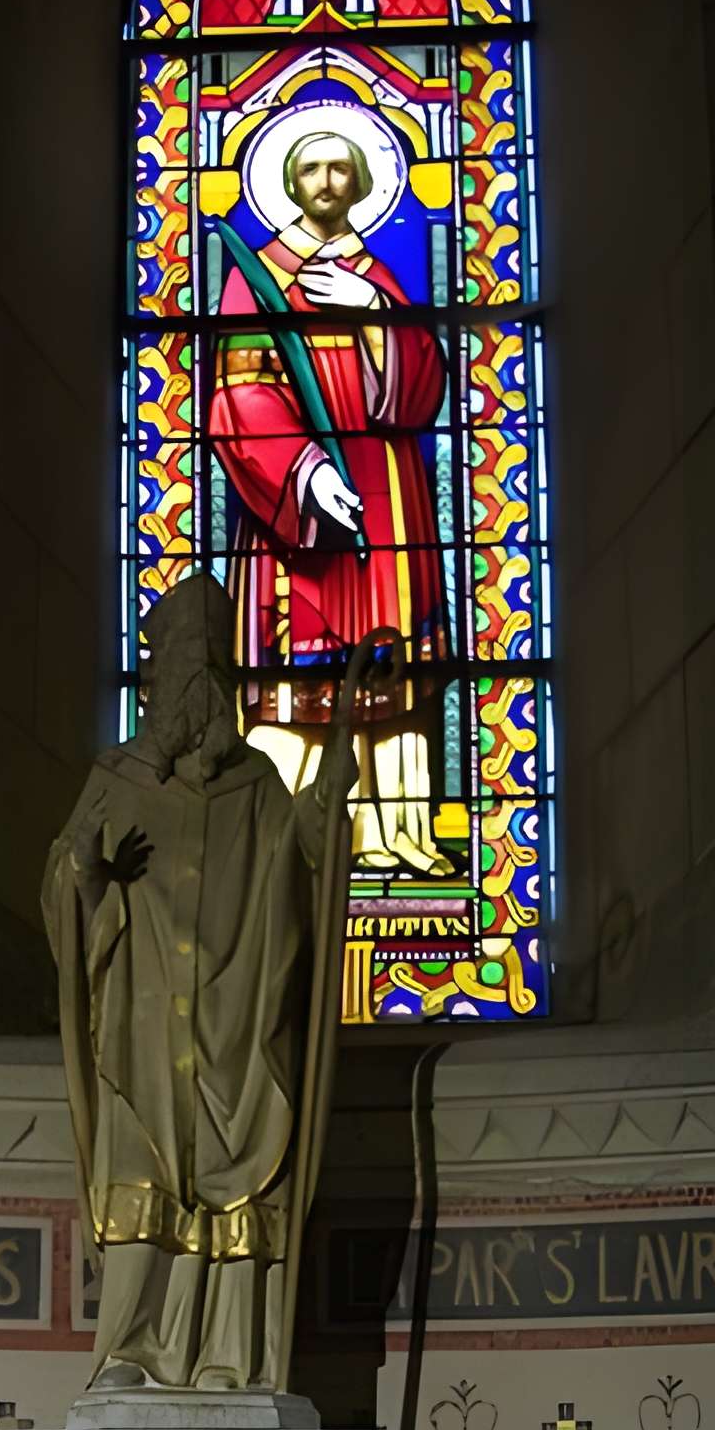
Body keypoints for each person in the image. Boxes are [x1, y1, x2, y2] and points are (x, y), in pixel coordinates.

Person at [42, 577, 355, 1392]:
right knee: (142, 1175)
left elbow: (303, 861)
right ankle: (132, 1351)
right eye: (180, 679)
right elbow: (65, 881)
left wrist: (330, 795)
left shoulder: (258, 786)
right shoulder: (120, 776)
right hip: (142, 1026)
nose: (197, 700)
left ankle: (230, 1355)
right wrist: (87, 875)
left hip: (236, 1025)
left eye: (212, 678)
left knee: (240, 1170)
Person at [207, 121, 448, 875]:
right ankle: (291, 848)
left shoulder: (377, 276)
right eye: (309, 167)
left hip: (386, 500)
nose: (325, 181)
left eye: (341, 168)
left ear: (362, 182)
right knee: (297, 670)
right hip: (300, 518)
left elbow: (425, 383)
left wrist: (374, 312)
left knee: (392, 658)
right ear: (288, 181)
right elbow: (239, 393)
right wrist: (307, 471)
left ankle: (395, 837)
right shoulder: (260, 276)